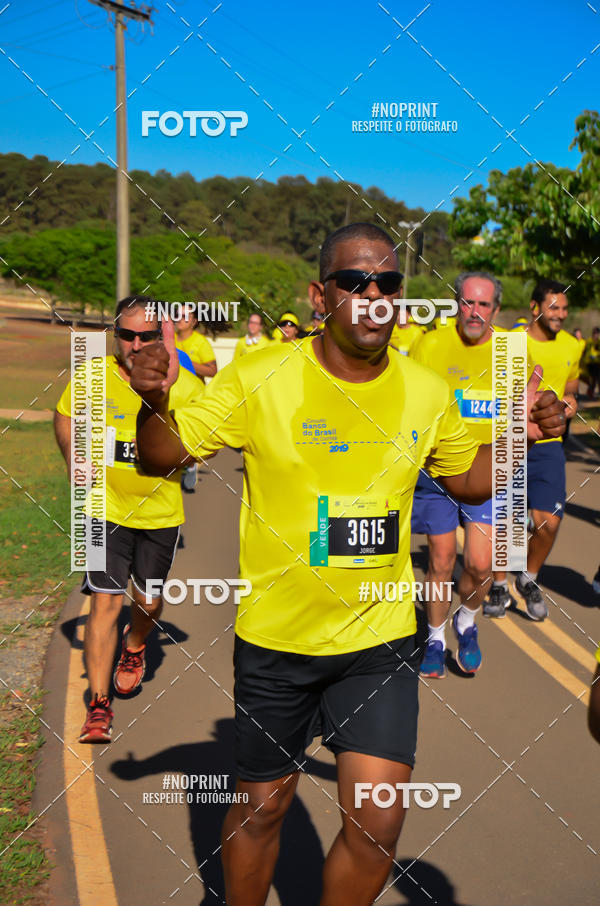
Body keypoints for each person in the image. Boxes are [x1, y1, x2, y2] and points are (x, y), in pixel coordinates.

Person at [130, 223, 564, 906]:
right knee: (261, 810)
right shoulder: (261, 376)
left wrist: (520, 433)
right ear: (319, 293)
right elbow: (162, 456)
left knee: (377, 825)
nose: (373, 295)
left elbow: (472, 482)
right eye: (354, 282)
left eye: (388, 283)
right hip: (278, 642)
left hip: (379, 642)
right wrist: (154, 403)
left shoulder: (423, 391)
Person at [54, 295, 204, 743]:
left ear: (163, 338)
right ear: (115, 335)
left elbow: (197, 448)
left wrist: (162, 396)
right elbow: (65, 417)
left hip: (160, 515)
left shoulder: (185, 385)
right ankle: (98, 708)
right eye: (127, 335)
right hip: (104, 509)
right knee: (104, 601)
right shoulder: (93, 377)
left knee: (149, 603)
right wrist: (73, 456)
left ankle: (135, 644)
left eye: (147, 336)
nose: (136, 345)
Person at [409, 272, 507, 677]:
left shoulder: (511, 352)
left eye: (484, 305)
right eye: (468, 302)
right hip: (436, 470)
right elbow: (406, 399)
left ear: (496, 310)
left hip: (486, 470)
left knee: (482, 565)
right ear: (456, 304)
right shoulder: (430, 345)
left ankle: (465, 620)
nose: (475, 312)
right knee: (442, 560)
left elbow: (527, 409)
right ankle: (434, 637)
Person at [511, 279, 582, 619]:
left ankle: (527, 578)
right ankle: (495, 581)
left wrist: (570, 402)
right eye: (554, 307)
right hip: (511, 440)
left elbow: (571, 386)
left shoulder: (572, 346)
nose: (561, 315)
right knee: (501, 526)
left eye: (565, 309)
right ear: (535, 307)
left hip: (549, 445)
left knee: (549, 523)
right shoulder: (511, 342)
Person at [174, 303, 217, 382]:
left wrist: (184, 361)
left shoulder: (200, 341)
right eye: (177, 315)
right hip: (173, 392)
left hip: (195, 393)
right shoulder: (169, 339)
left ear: (194, 321)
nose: (180, 318)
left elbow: (213, 371)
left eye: (185, 316)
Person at [583, 326, 600, 398]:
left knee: (598, 379)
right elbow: (585, 352)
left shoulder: (599, 342)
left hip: (598, 363)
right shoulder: (589, 341)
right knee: (593, 379)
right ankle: (590, 394)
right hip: (590, 364)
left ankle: (593, 393)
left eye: (597, 334)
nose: (596, 335)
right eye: (595, 333)